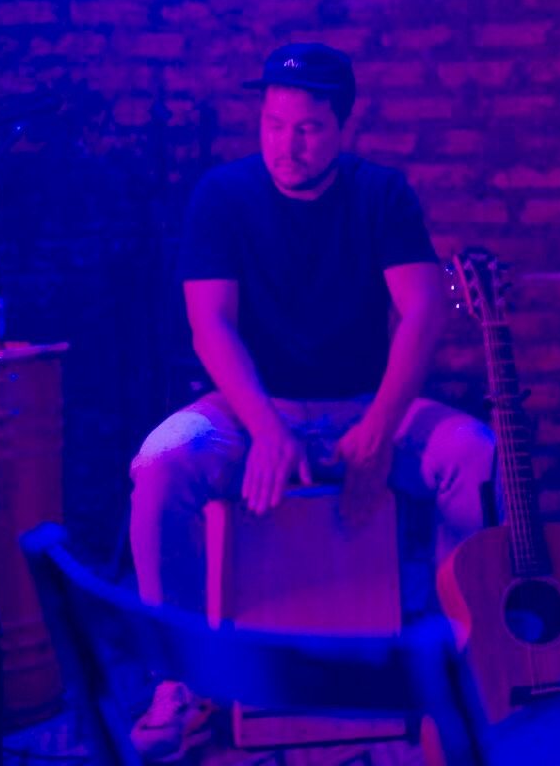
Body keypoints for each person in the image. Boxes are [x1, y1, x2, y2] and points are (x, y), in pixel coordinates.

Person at [125, 43, 496, 760]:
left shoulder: (380, 193)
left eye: (307, 129)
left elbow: (425, 309)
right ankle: (179, 682)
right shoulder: (223, 195)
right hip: (249, 409)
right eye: (273, 125)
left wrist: (380, 428)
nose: (286, 146)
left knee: (475, 457)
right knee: (160, 463)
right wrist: (267, 429)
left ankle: (460, 663)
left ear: (342, 127)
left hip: (363, 405)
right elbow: (211, 326)